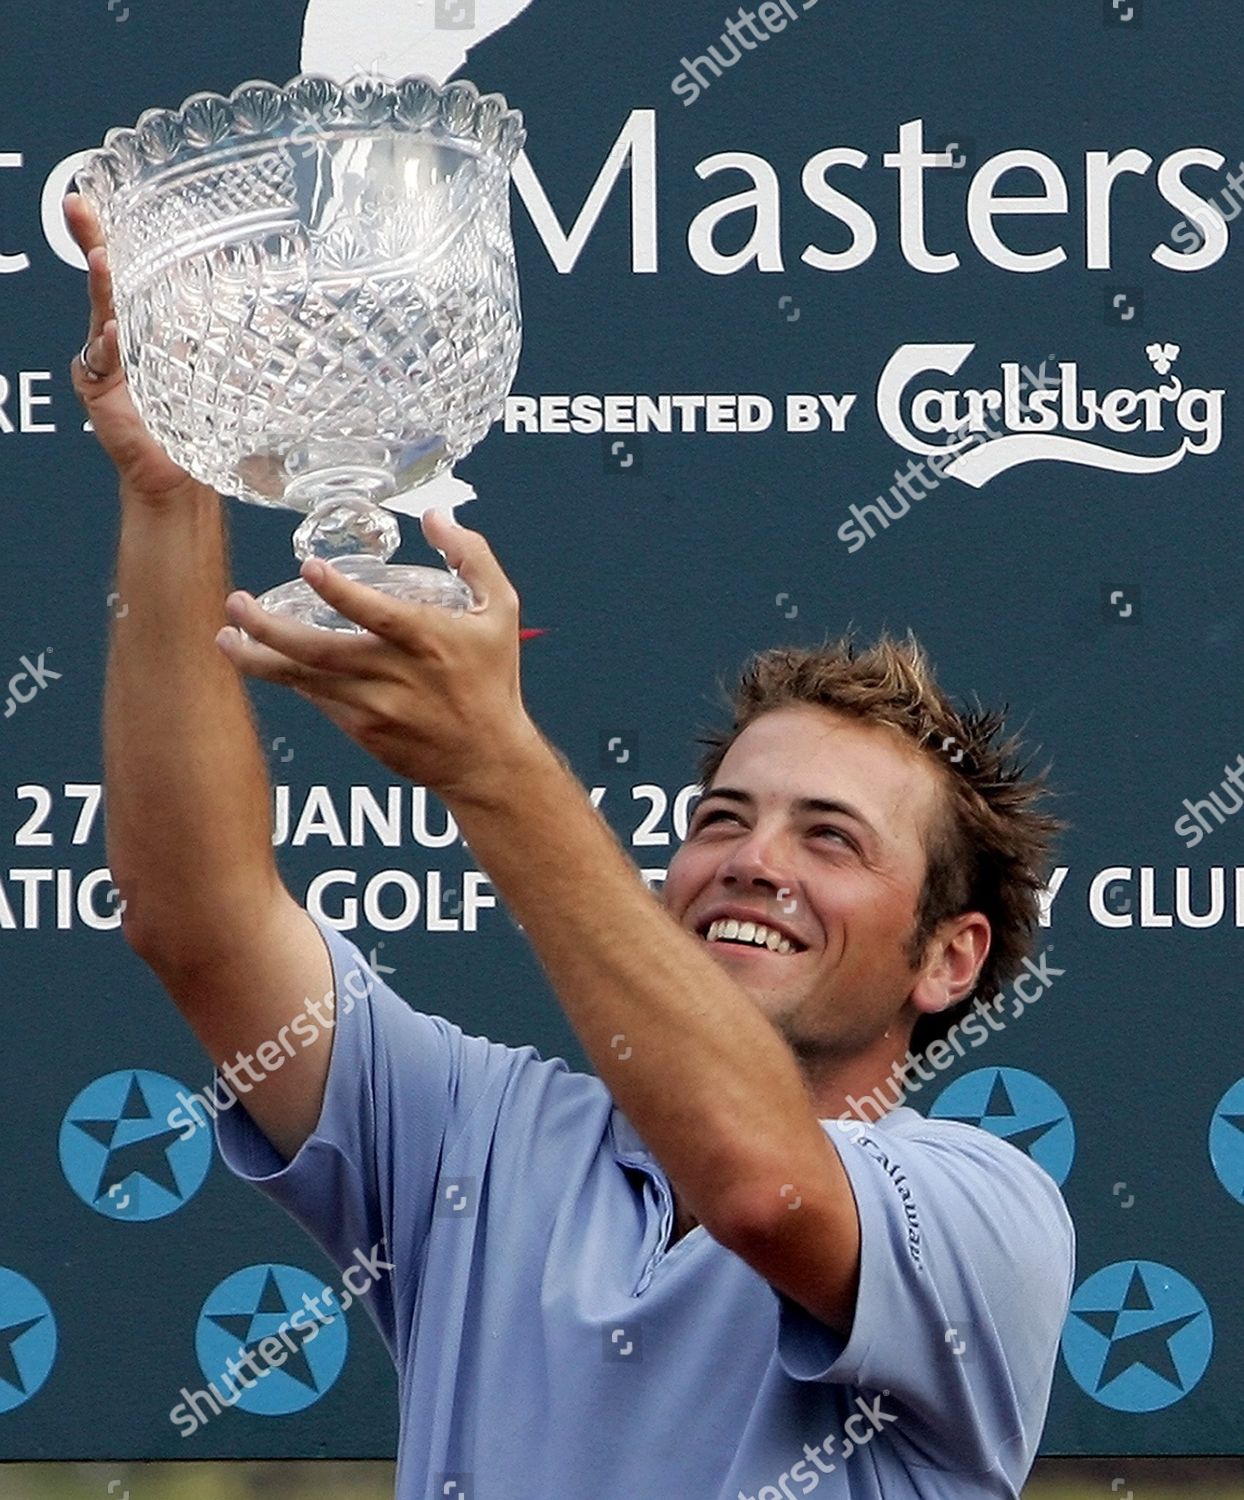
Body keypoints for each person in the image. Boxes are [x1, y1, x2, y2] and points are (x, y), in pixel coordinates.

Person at [67, 189, 1074, 1500]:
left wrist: (493, 764)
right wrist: (170, 487)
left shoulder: (985, 1210)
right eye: (723, 818)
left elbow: (765, 1187)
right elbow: (192, 918)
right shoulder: (478, 1136)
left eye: (831, 838)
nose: (754, 860)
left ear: (950, 959)